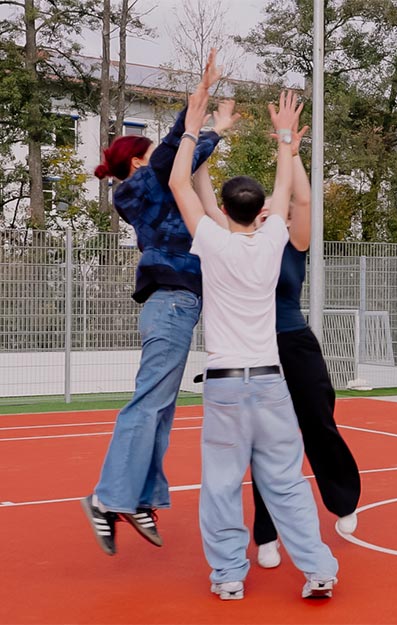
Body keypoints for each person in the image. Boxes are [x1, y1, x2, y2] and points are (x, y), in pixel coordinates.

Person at [170, 82, 339, 601]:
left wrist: (194, 126)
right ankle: (318, 571)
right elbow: (287, 189)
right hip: (269, 385)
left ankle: (227, 577)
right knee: (286, 483)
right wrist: (285, 139)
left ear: (222, 210)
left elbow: (182, 183)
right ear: (260, 208)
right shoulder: (273, 242)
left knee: (221, 488)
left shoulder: (213, 242)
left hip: (224, 388)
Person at [81, 51, 232, 556]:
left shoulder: (159, 189)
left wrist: (210, 130)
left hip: (178, 305)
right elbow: (176, 151)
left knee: (161, 409)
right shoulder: (136, 188)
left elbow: (185, 161)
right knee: (147, 405)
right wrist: (202, 106)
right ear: (139, 157)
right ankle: (107, 497)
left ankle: (141, 497)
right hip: (169, 302)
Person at [247, 122, 362, 570]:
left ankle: (342, 500)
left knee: (319, 424)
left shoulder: (292, 245)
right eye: (258, 211)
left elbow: (303, 199)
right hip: (256, 350)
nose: (266, 214)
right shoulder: (239, 247)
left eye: (272, 210)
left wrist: (290, 149)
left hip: (296, 344)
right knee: (267, 443)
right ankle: (267, 533)